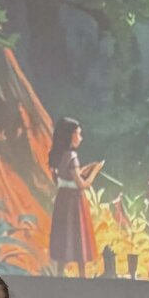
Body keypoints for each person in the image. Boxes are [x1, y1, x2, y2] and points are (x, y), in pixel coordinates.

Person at [48, 117, 103, 278]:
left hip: (62, 200)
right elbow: (82, 184)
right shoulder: (72, 156)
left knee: (63, 237)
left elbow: (65, 177)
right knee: (79, 238)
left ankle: (59, 275)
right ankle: (82, 277)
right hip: (74, 202)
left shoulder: (59, 155)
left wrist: (84, 169)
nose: (80, 138)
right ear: (70, 135)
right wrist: (95, 171)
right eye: (78, 134)